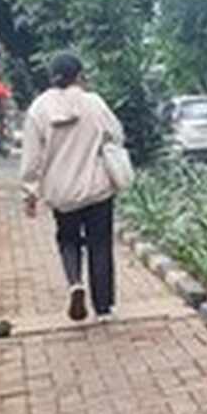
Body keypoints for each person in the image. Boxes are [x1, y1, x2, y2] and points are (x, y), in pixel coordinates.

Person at [21, 52, 125, 323]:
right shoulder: (94, 102)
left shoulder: (38, 108)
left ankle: (74, 282)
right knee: (99, 244)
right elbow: (116, 134)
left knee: (67, 239)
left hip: (61, 192)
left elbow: (31, 157)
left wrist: (29, 192)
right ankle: (103, 309)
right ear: (79, 75)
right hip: (97, 188)